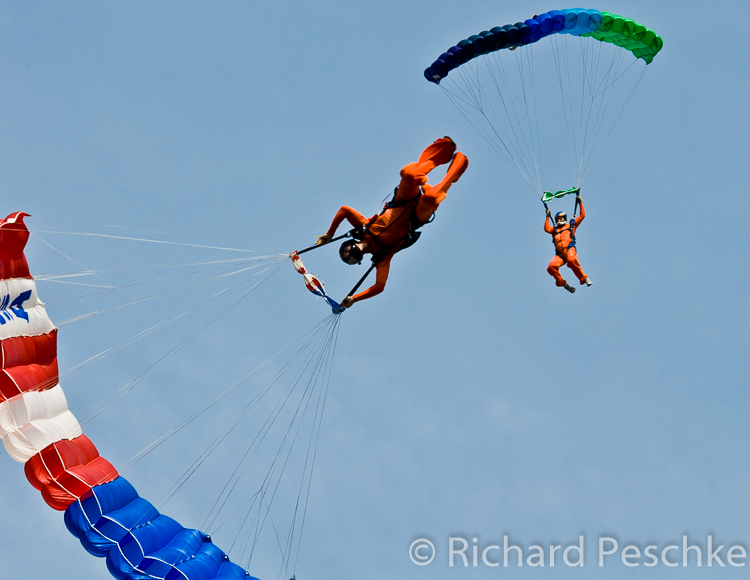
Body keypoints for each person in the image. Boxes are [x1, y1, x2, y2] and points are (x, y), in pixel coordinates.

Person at [317, 137, 468, 308]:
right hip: (415, 218)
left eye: (344, 252)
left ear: (349, 243)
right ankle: (455, 169)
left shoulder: (363, 228)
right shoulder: (382, 256)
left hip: (401, 201)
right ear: (357, 260)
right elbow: (379, 286)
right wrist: (354, 298)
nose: (348, 254)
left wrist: (330, 234)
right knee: (431, 197)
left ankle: (443, 149)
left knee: (409, 174)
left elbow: (344, 210)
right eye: (348, 258)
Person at [544, 194, 592, 293]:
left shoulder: (571, 225)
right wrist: (547, 217)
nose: (559, 220)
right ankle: (563, 283)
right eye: (557, 219)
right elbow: (546, 228)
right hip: (560, 255)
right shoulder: (554, 230)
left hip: (569, 249)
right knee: (550, 267)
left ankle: (584, 278)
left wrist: (580, 202)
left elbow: (582, 216)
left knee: (571, 260)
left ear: (564, 218)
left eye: (560, 218)